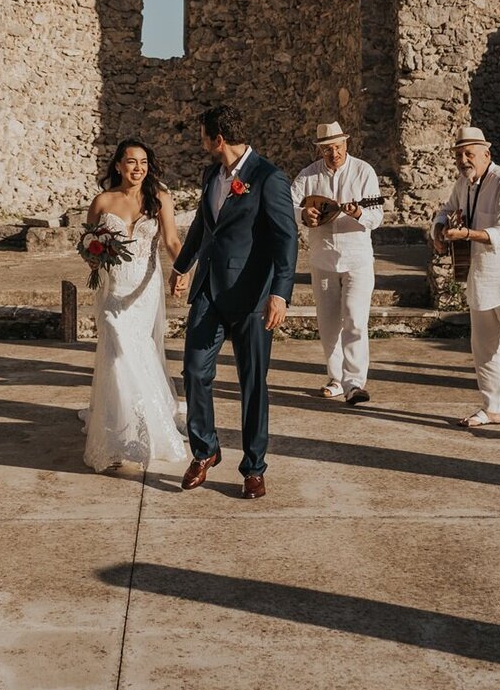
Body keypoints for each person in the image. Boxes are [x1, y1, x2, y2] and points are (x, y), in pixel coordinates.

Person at [170, 104, 298, 499]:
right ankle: (205, 450)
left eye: (204, 136)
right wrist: (181, 266)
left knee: (253, 384)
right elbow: (202, 227)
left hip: (254, 298)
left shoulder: (269, 177)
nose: (202, 142)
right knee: (193, 370)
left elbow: (286, 239)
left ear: (218, 139)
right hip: (210, 290)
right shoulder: (212, 174)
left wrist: (280, 293)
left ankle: (254, 467)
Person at [81, 137, 189, 473]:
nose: (138, 168)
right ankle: (117, 436)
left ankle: (145, 425)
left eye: (143, 162)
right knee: (117, 352)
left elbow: (171, 240)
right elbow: (86, 244)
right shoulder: (102, 201)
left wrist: (182, 270)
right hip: (113, 288)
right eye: (131, 162)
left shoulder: (159, 199)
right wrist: (95, 255)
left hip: (144, 287)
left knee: (137, 350)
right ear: (118, 165)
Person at [431, 123, 500, 438]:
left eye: (469, 154)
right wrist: (438, 230)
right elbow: (447, 209)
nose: (464, 160)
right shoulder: (462, 184)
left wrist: (464, 234)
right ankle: (493, 408)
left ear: (486, 154)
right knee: (484, 349)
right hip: (480, 277)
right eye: (460, 154)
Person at [291, 119, 383, 406]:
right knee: (329, 323)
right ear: (321, 150)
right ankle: (336, 378)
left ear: (346, 144)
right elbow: (290, 206)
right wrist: (304, 216)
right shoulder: (308, 177)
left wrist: (358, 214)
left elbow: (377, 215)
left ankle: (355, 383)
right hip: (323, 259)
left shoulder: (363, 171)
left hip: (357, 259)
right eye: (328, 149)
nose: (334, 154)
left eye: (339, 147)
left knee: (355, 319)